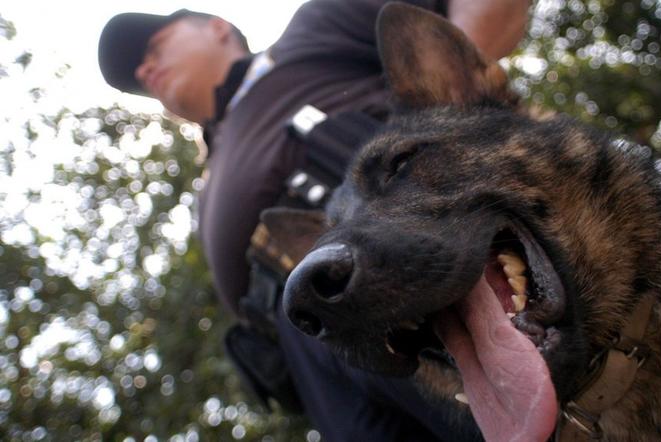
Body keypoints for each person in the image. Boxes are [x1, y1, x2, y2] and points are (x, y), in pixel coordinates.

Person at [98, 1, 530, 440]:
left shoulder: (310, 33)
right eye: (137, 78)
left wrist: (456, 106)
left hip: (420, 250)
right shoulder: (207, 185)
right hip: (322, 360)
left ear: (217, 28)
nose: (145, 70)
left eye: (154, 47)